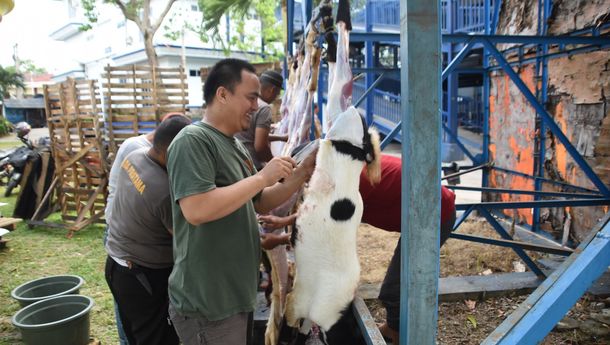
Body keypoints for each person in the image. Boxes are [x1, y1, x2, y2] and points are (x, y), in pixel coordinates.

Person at [166, 58, 315, 345]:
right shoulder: (193, 141)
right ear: (222, 94)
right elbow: (196, 209)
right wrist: (262, 177)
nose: (257, 106)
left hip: (236, 295)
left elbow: (259, 202)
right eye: (251, 97)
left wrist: (300, 175)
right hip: (210, 304)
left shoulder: (234, 144)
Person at [258, 154, 457, 345]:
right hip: (424, 210)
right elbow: (320, 209)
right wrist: (283, 221)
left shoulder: (348, 182)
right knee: (397, 285)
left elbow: (323, 224)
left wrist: (278, 240)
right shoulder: (342, 170)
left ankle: (400, 338)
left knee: (393, 292)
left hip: (432, 217)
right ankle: (391, 328)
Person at [104, 115, 191, 345]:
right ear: (174, 150)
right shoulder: (163, 191)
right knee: (158, 338)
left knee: (137, 336)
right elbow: (188, 240)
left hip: (117, 263)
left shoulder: (134, 156)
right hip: (141, 276)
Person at [235, 69, 288, 170]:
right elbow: (260, 146)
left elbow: (252, 135)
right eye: (276, 94)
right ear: (271, 90)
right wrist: (276, 163)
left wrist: (281, 138)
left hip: (235, 161)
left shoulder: (243, 100)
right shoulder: (264, 108)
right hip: (250, 165)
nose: (275, 98)